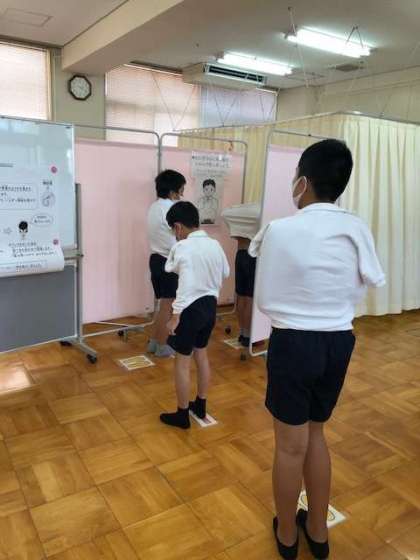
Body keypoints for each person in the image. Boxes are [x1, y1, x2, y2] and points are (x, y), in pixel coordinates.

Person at [249, 139, 385, 560]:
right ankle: (319, 533)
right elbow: (372, 280)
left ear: (302, 182)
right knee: (316, 434)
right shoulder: (356, 227)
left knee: (289, 446)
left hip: (293, 342)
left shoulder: (279, 229)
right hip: (339, 342)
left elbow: (264, 299)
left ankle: (288, 534)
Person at [160, 201, 230, 429]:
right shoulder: (215, 244)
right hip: (210, 307)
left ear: (178, 227)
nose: (175, 235)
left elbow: (183, 282)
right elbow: (226, 272)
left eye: (173, 230)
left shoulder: (183, 247)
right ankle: (200, 404)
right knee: (201, 354)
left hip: (189, 310)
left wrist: (175, 316)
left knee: (182, 362)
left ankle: (182, 414)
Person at [147, 169, 186, 358]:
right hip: (167, 262)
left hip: (156, 260)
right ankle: (163, 346)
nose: (181, 195)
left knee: (163, 305)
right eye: (181, 190)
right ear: (172, 191)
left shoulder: (154, 207)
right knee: (168, 307)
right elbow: (179, 236)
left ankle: (154, 342)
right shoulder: (171, 209)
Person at [222, 202, 261, 347]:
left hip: (241, 255)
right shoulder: (260, 211)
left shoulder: (239, 212)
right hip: (254, 257)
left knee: (241, 295)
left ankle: (243, 333)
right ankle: (249, 335)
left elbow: (224, 213)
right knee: (250, 298)